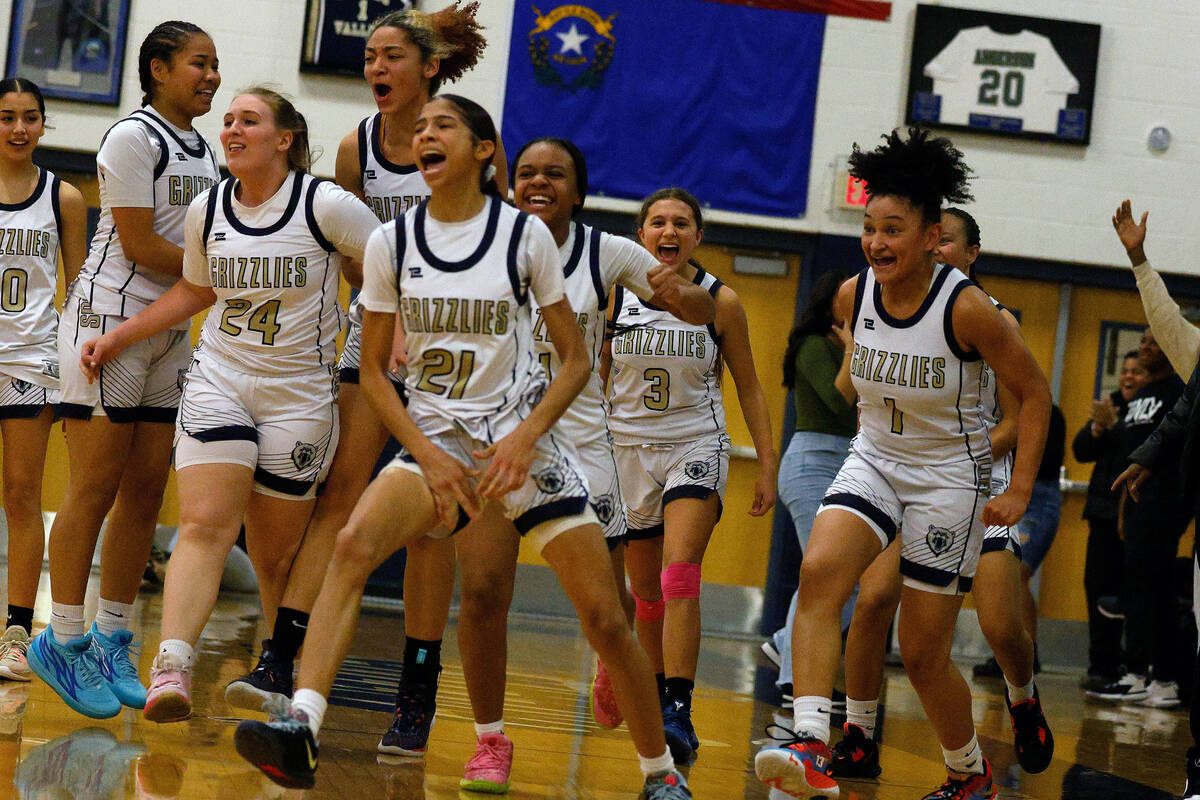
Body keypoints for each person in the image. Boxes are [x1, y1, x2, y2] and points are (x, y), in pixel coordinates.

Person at [232, 95, 692, 800]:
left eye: (442, 125)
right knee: (354, 545)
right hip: (438, 441)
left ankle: (659, 776)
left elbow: (573, 362)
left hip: (523, 448)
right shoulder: (392, 242)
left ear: (483, 151)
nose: (424, 135)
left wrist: (525, 438)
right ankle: (303, 723)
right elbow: (381, 372)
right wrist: (424, 447)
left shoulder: (524, 238)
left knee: (604, 617)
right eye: (419, 129)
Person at [221, 6, 501, 745]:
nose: (374, 67)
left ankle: (417, 691)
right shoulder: (356, 148)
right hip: (374, 334)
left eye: (390, 56)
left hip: (452, 353)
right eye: (369, 56)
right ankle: (282, 657)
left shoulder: (466, 146)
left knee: (433, 521)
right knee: (340, 495)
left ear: (428, 67)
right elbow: (348, 249)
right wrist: (393, 304)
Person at [753, 129, 1051, 800]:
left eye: (894, 229)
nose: (877, 241)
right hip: (876, 459)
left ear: (928, 236)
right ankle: (810, 739)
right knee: (821, 573)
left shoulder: (968, 308)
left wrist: (1022, 488)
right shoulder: (854, 295)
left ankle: (968, 775)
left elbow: (1034, 395)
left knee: (921, 655)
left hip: (951, 477)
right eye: (869, 227)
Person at [78, 87, 381, 723]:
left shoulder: (326, 205)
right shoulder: (208, 209)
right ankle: (172, 667)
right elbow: (194, 291)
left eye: (249, 120)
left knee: (275, 556)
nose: (232, 129)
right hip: (220, 376)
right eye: (228, 121)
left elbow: (398, 265)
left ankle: (281, 676)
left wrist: (395, 332)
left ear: (284, 139)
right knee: (204, 524)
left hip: (300, 395)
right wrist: (119, 336)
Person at [444, 137, 714, 788]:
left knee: (604, 615)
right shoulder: (480, 243)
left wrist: (692, 299)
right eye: (528, 171)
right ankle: (489, 741)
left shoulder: (609, 252)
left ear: (579, 189)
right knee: (481, 593)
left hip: (585, 448)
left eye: (555, 173)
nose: (539, 181)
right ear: (511, 184)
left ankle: (658, 769)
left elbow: (700, 309)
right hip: (493, 439)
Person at [27, 21, 221, 720]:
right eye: (199, 64)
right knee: (93, 487)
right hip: (108, 325)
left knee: (146, 491)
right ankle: (64, 639)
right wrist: (223, 269)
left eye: (216, 65)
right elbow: (138, 243)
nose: (211, 76)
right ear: (160, 68)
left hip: (170, 330)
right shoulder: (131, 137)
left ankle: (112, 635)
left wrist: (212, 273)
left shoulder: (205, 148)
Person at [826, 207, 1053, 783]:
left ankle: (1023, 696)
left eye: (949, 242)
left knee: (1001, 626)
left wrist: (993, 473)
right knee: (874, 599)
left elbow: (1013, 415)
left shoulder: (985, 315)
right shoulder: (876, 297)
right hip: (901, 476)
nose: (941, 251)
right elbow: (853, 391)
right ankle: (857, 732)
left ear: (967, 253)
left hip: (975, 477)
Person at [0, 79, 87, 681]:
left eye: (31, 118)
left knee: (21, 495)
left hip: (31, 359)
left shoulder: (65, 198)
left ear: (44, 125)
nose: (19, 129)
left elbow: (80, 288)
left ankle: (13, 633)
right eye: (7, 117)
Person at [764, 269, 855, 702]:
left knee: (849, 577)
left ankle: (785, 643)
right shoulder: (814, 345)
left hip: (850, 464)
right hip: (812, 462)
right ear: (832, 304)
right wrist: (856, 348)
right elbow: (841, 401)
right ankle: (793, 678)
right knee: (826, 574)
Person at [1091, 327, 1188, 706]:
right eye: (1143, 341)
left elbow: (1171, 454)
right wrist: (1122, 512)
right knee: (1137, 588)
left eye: (1153, 342)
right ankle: (1136, 673)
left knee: (1155, 591)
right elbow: (1129, 460)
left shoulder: (1178, 393)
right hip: (1135, 506)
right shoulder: (1141, 396)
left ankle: (1161, 677)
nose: (1145, 347)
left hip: (1164, 506)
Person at [1073, 350, 1145, 690]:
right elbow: (1080, 451)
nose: (1129, 377)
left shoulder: (1149, 410)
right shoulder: (1111, 404)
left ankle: (1130, 665)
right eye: (1125, 371)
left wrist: (1114, 428)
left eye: (1136, 371)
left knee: (1127, 591)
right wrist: (1098, 428)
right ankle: (1100, 664)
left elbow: (1137, 448)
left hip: (1135, 513)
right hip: (1102, 513)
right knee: (1096, 590)